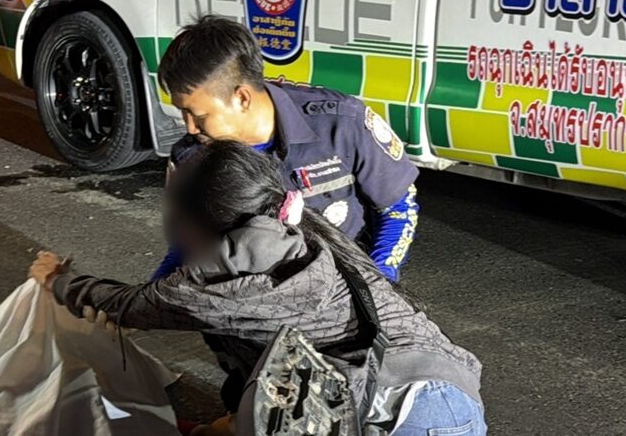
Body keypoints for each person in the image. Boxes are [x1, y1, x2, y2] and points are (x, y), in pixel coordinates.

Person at [29, 141, 486, 436]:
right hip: (450, 393)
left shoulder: (227, 277)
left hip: (396, 415)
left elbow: (134, 305)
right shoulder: (303, 231)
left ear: (204, 223)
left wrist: (58, 279)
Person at [153, 15, 419, 283]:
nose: (190, 127)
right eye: (182, 112)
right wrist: (146, 296)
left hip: (343, 287)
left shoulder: (341, 124)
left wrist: (377, 284)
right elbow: (185, 246)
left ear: (242, 98)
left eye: (198, 115)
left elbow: (398, 209)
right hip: (246, 297)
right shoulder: (192, 157)